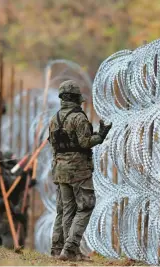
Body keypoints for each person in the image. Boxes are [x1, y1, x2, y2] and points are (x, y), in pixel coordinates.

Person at [49, 80, 112, 261]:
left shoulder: (55, 119)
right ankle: (70, 249)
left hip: (60, 169)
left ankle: (61, 249)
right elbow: (85, 142)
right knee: (85, 206)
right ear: (76, 98)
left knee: (67, 210)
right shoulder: (78, 117)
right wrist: (100, 136)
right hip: (78, 170)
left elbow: (53, 146)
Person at [0, 149, 31, 249]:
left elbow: (12, 186)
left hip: (5, 211)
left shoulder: (3, 173)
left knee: (7, 241)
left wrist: (23, 177)